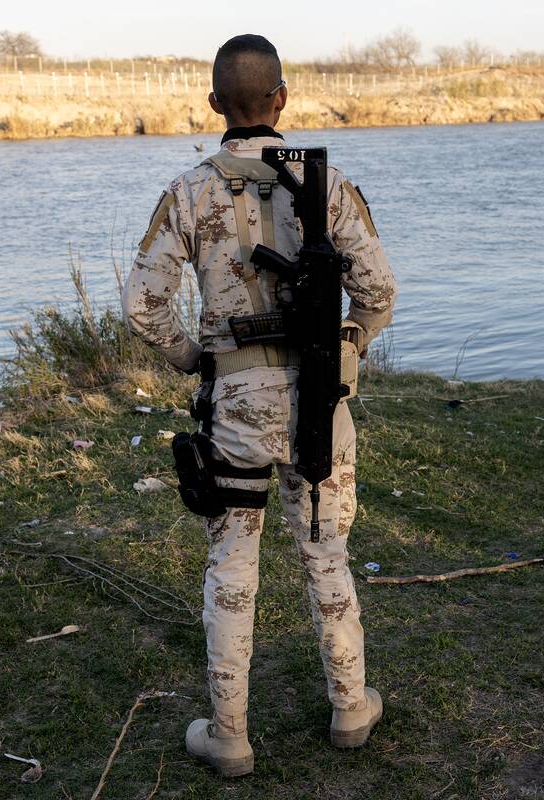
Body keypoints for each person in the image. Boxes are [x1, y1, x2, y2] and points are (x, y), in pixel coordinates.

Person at [122, 33, 397, 777]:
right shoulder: (327, 184)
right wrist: (346, 349)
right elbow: (380, 293)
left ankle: (230, 734)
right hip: (319, 403)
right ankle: (349, 709)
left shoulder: (188, 190)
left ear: (216, 105)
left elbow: (143, 307)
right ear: (283, 97)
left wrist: (196, 359)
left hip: (234, 408)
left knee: (231, 570)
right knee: (326, 557)